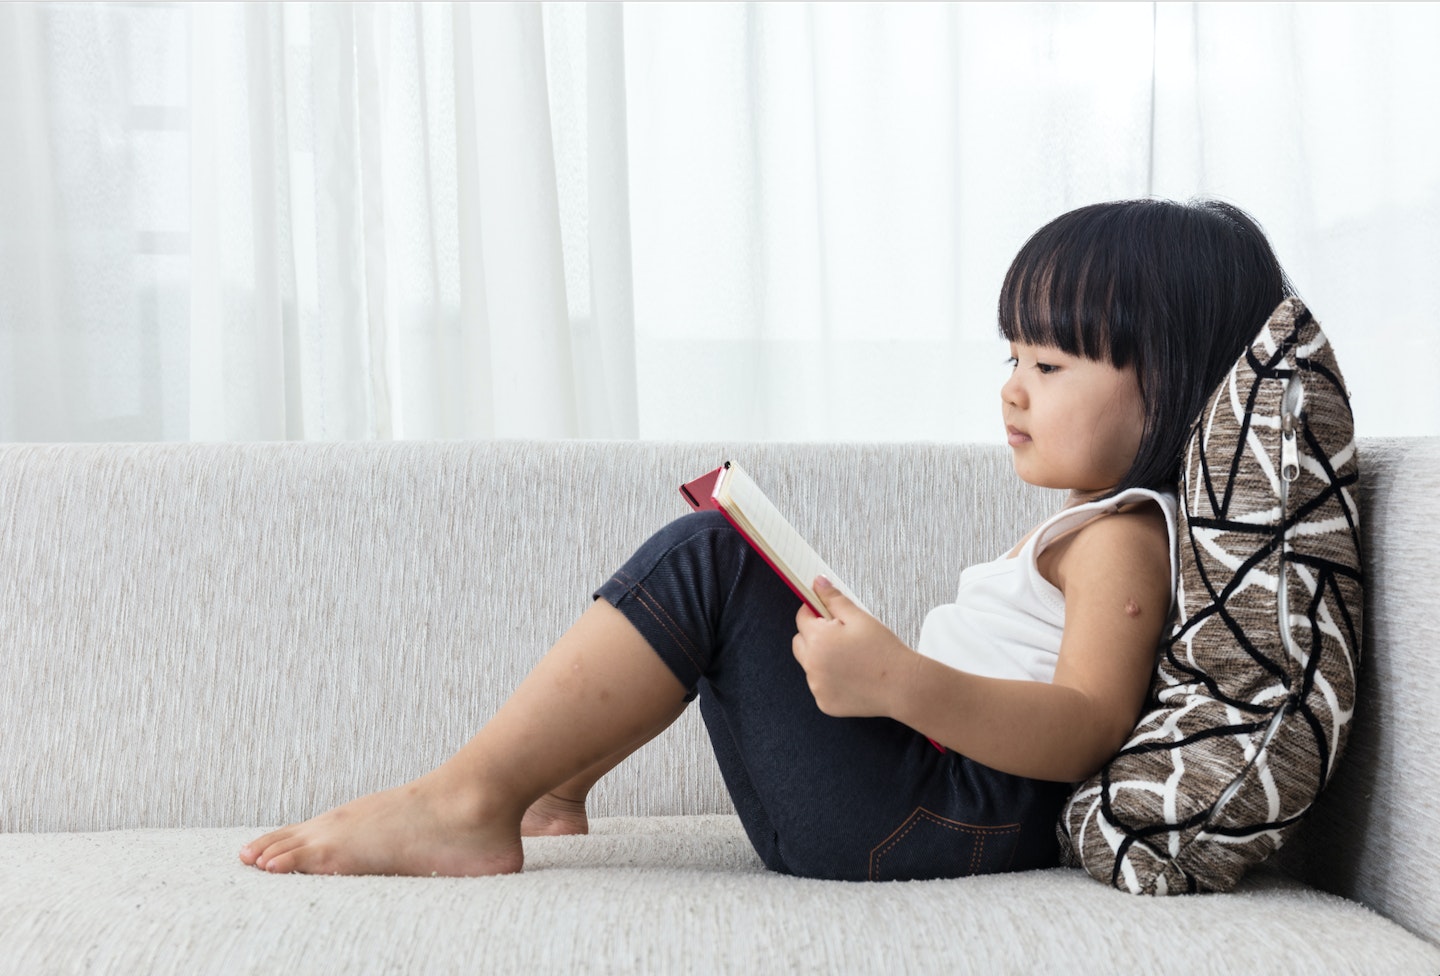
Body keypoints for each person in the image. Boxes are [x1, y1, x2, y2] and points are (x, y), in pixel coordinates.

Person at [239, 198, 1292, 882]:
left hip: (939, 816)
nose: (1012, 388)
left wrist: (900, 683)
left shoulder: (1123, 537)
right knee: (731, 560)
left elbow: (1084, 729)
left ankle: (466, 803)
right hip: (914, 798)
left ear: (1170, 386)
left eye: (1051, 367)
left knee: (711, 563)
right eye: (1011, 354)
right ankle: (552, 788)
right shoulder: (1083, 526)